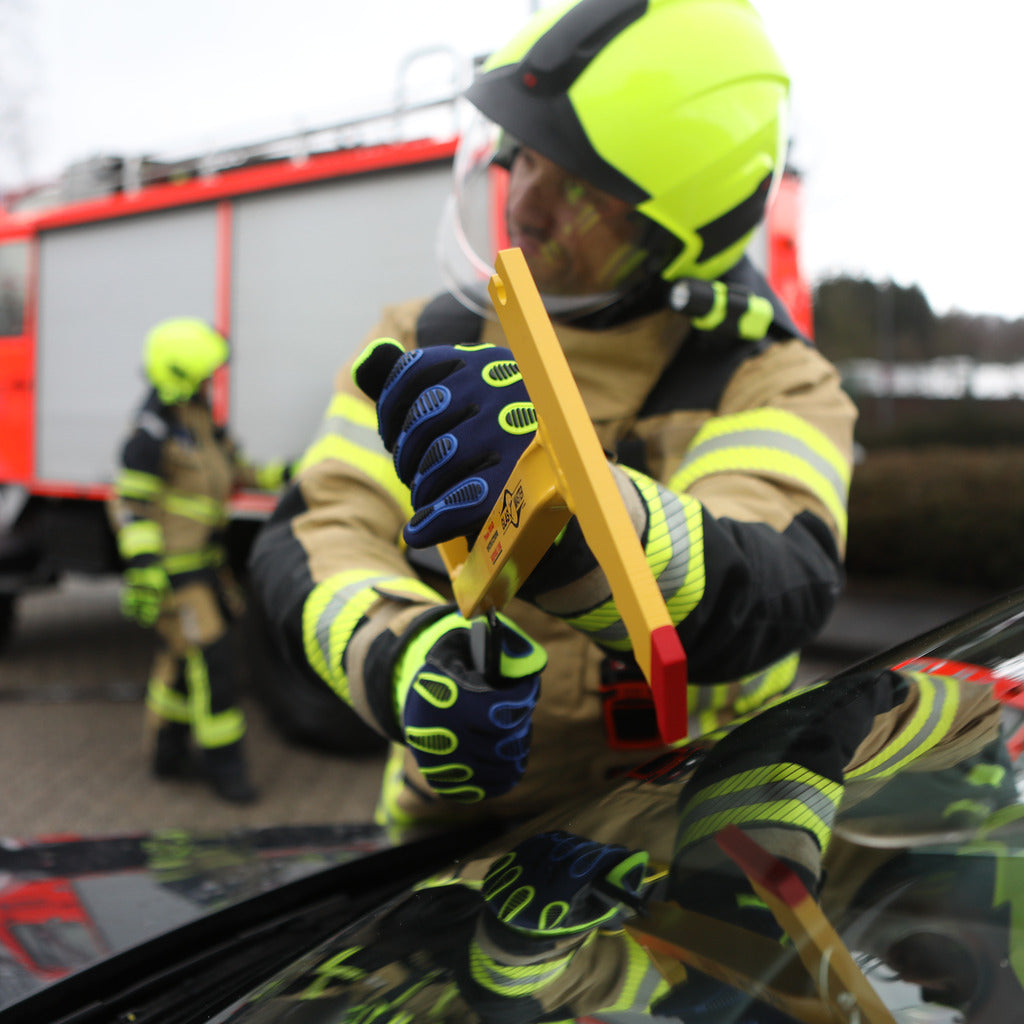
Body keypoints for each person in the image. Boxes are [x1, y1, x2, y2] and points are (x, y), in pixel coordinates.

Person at [249, 0, 858, 831]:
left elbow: (772, 583)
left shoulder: (776, 380)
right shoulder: (426, 336)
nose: (527, 203)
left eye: (583, 189)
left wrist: (565, 509)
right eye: (526, 156)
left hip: (687, 849)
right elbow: (315, 531)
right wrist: (401, 655)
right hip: (444, 854)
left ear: (674, 235)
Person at [241, 666, 1020, 1022]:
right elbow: (966, 709)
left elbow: (576, 987)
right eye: (953, 988)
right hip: (430, 826)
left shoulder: (738, 1005)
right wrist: (770, 809)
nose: (921, 982)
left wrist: (517, 945)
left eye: (933, 1000)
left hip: (352, 936)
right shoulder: (968, 810)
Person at [110, 317, 290, 804]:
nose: (211, 381)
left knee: (180, 656)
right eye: (203, 373)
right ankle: (224, 765)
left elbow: (235, 467)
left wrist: (286, 474)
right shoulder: (150, 433)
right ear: (179, 374)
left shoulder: (196, 415)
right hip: (176, 572)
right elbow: (131, 506)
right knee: (214, 662)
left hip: (206, 565)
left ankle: (167, 753)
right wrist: (145, 569)